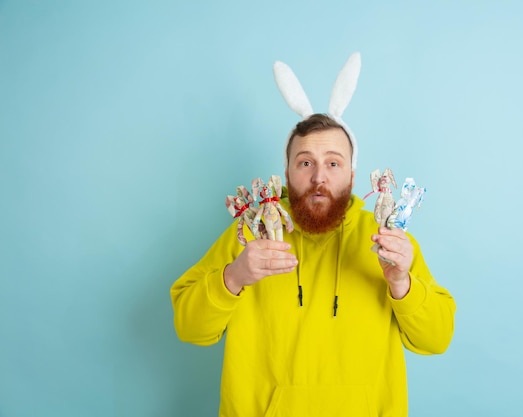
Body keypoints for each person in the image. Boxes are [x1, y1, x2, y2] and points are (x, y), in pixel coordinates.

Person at [170, 54, 455, 417]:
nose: (319, 177)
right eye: (305, 162)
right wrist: (234, 276)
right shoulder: (249, 234)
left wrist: (402, 283)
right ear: (286, 172)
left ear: (352, 175)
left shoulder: (389, 241)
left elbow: (436, 338)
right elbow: (190, 328)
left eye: (333, 163)